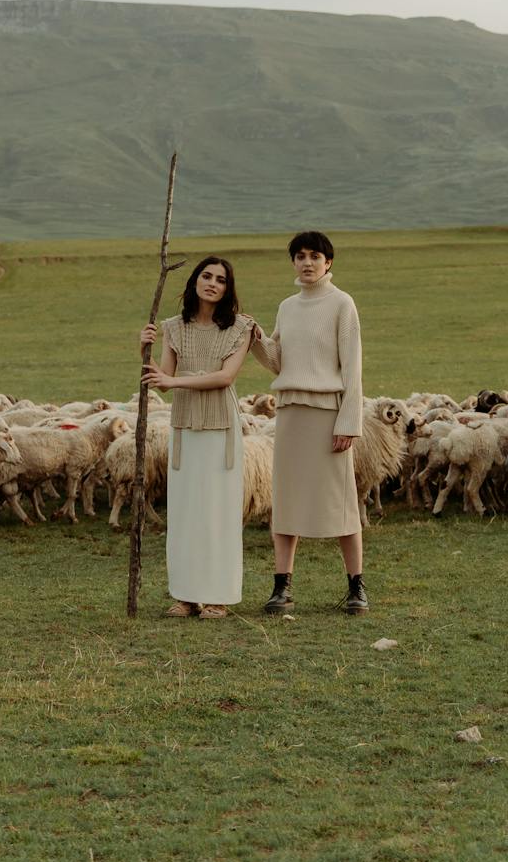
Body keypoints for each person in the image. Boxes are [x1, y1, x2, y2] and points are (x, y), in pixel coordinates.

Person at [249, 230, 367, 615]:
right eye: (300, 256)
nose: (307, 262)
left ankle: (356, 587)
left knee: (342, 501)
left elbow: (352, 365)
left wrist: (348, 421)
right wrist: (256, 339)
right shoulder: (287, 306)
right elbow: (278, 361)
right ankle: (282, 588)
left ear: (328, 262)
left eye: (315, 256)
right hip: (290, 414)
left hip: (328, 415)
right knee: (286, 502)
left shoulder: (341, 304)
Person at [140, 255, 254, 619]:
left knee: (218, 511)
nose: (212, 283)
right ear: (193, 282)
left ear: (227, 289)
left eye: (221, 280)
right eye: (206, 276)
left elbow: (225, 378)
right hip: (185, 426)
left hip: (220, 427)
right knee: (187, 511)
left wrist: (174, 381)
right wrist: (142, 348)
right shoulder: (173, 327)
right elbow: (162, 378)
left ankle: (218, 597)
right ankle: (186, 596)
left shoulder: (240, 328)